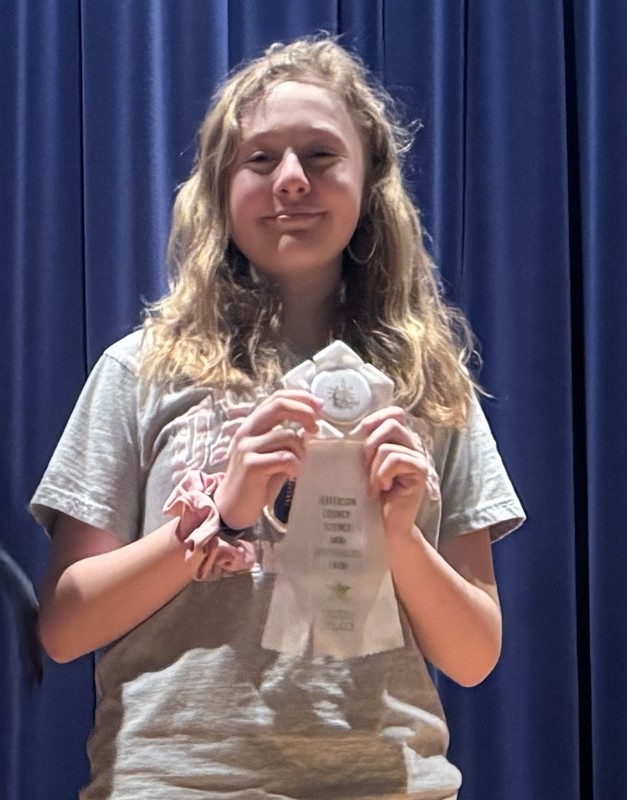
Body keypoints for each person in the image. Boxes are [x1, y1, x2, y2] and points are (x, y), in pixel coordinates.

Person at [31, 35, 525, 800]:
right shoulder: (139, 370)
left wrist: (397, 537)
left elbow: (472, 655)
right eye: (259, 159)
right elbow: (63, 629)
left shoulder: (429, 384)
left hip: (390, 783)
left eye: (321, 156)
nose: (291, 180)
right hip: (179, 782)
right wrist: (219, 519)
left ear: (368, 188)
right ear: (221, 188)